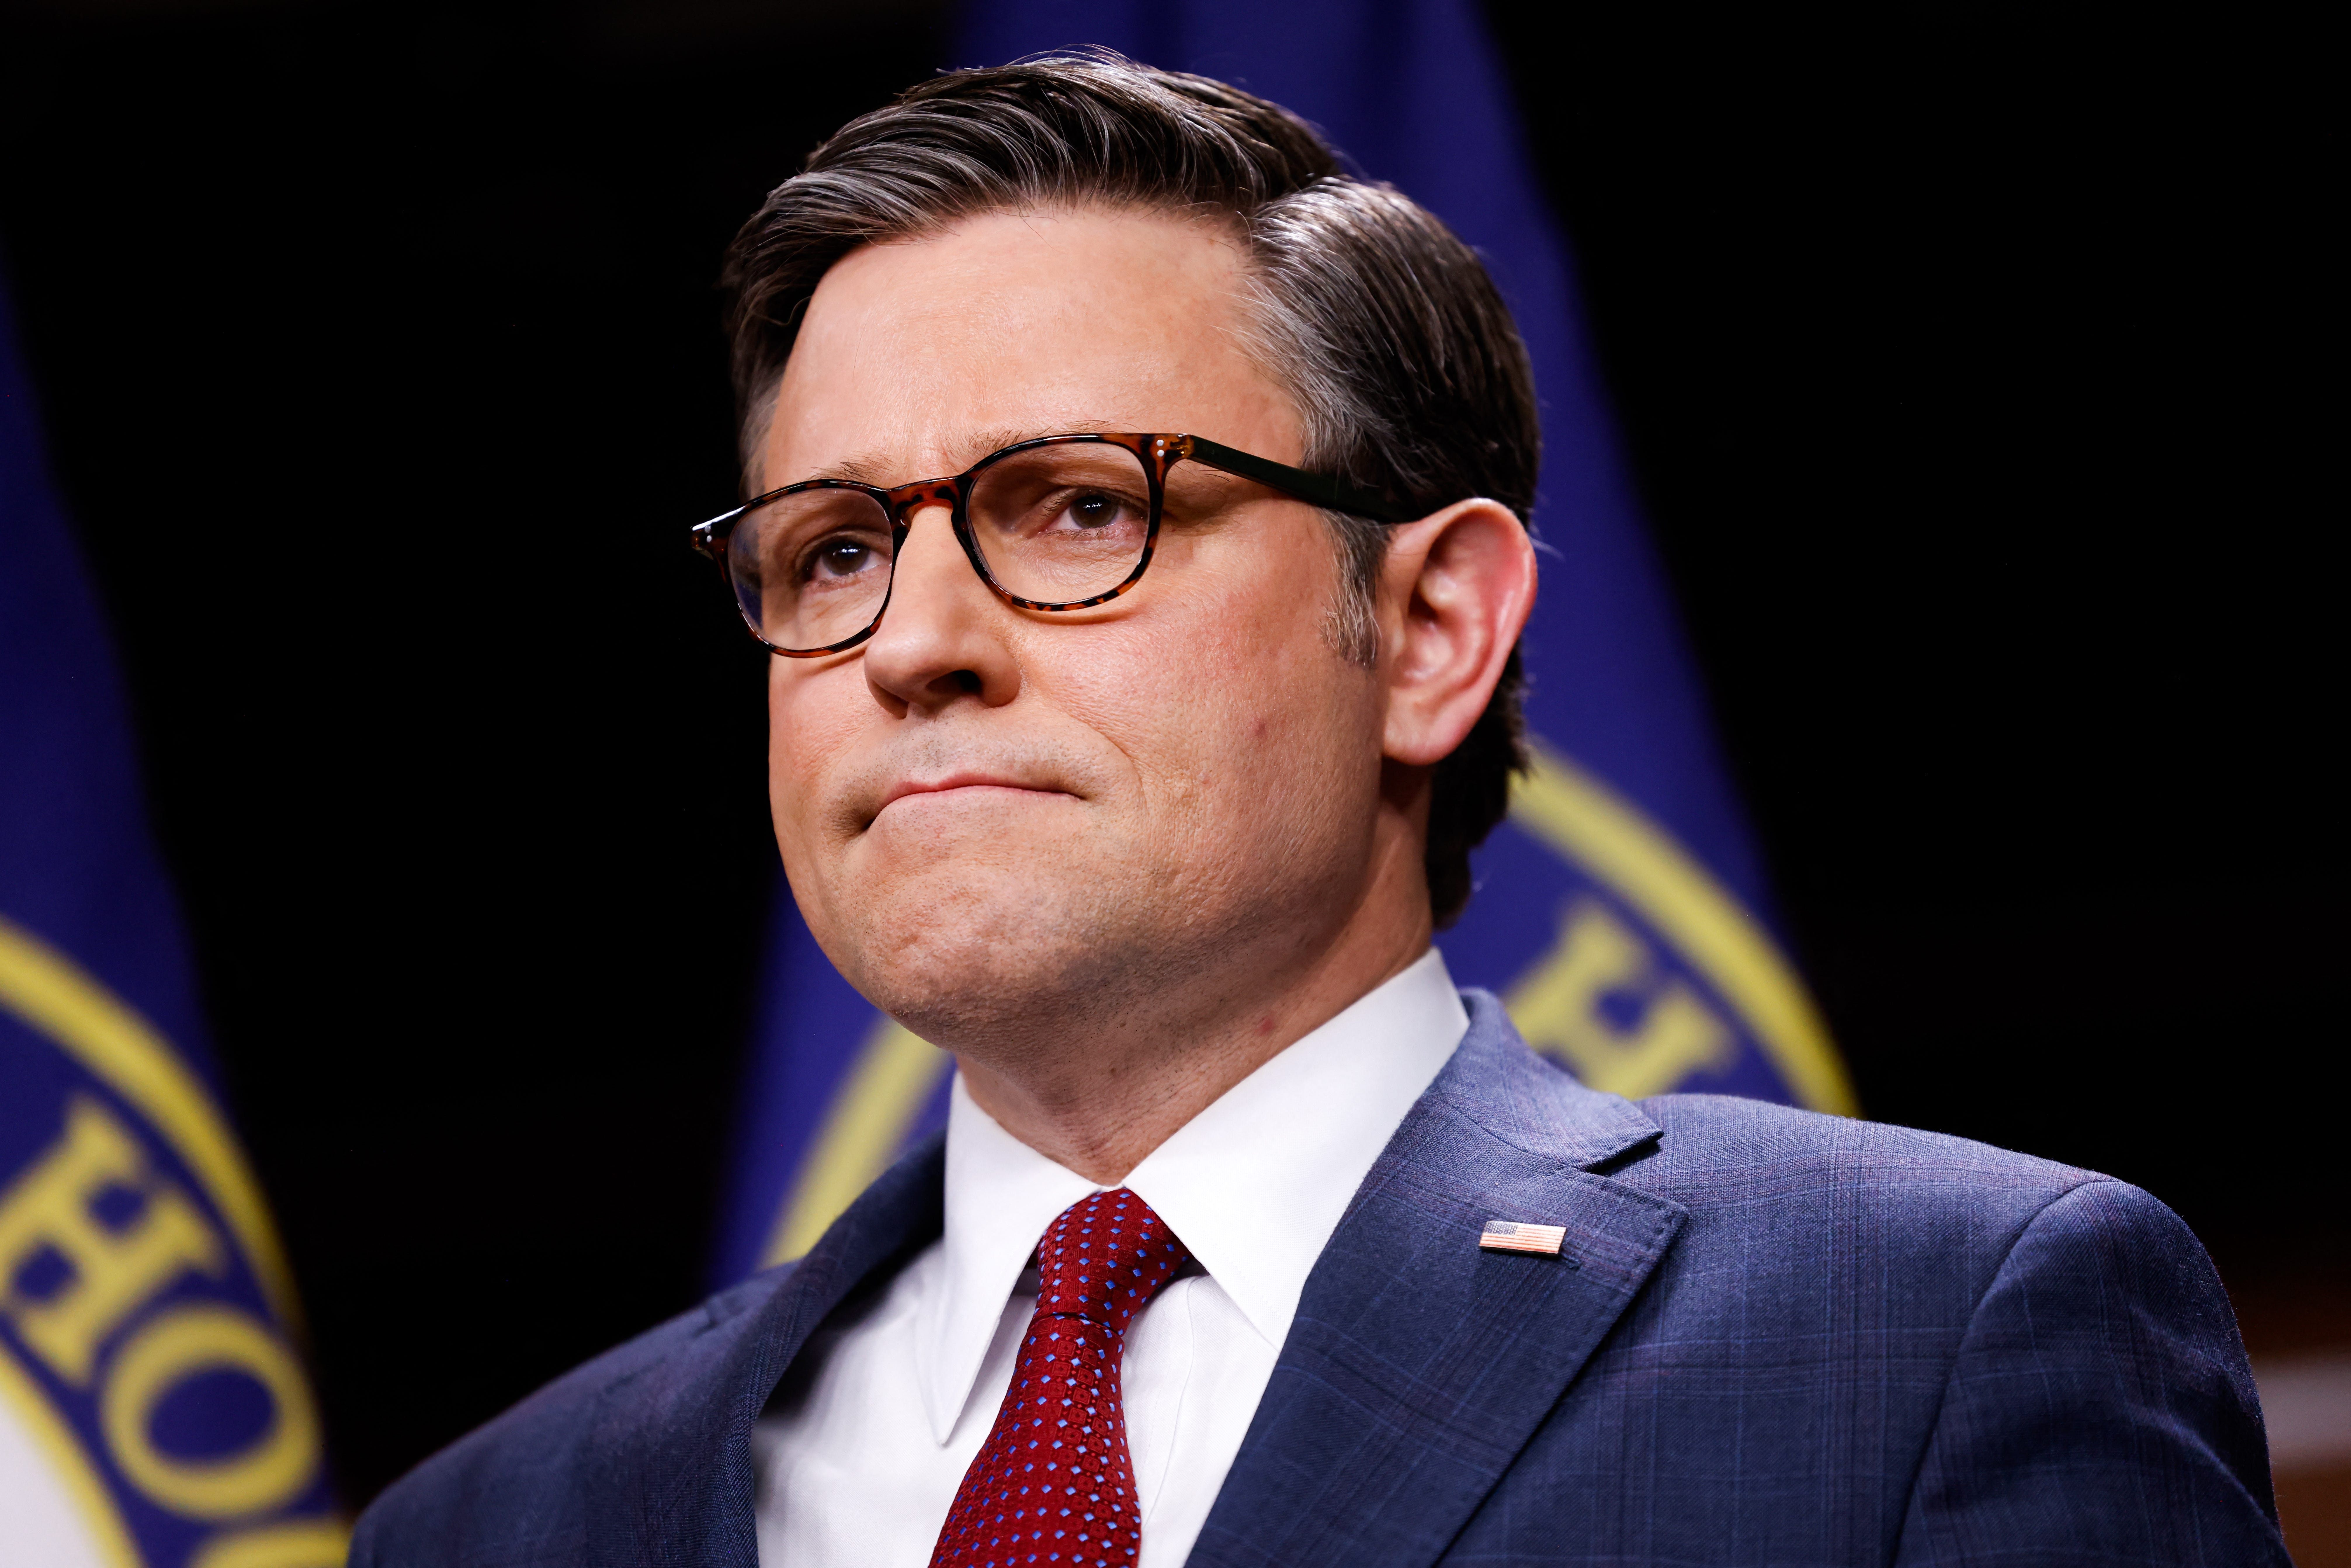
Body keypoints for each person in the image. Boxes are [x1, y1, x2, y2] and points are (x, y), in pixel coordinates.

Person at [351, 54, 2285, 1568]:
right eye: (833, 547)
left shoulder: (1926, 1341)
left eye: (1081, 506)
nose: (911, 644)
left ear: (1430, 628)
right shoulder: (491, 1529)